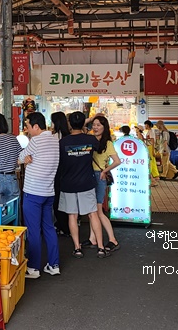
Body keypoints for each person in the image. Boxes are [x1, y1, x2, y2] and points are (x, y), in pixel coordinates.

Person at [57, 111, 108, 259]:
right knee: (93, 214)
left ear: (69, 124)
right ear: (84, 123)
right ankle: (100, 247)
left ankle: (77, 248)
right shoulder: (90, 140)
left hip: (68, 183)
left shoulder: (63, 142)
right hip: (87, 183)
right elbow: (99, 148)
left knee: (72, 216)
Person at [18, 112, 60, 279]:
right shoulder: (54, 140)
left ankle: (34, 268)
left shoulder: (35, 141)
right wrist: (27, 157)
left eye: (28, 126)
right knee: (49, 228)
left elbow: (20, 157)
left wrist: (26, 158)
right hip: (48, 192)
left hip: (33, 192)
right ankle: (54, 265)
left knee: (34, 231)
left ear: (36, 126)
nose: (27, 130)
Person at [82, 115, 121, 252]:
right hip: (89, 175)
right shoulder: (89, 138)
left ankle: (113, 239)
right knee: (91, 211)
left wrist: (105, 170)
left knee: (98, 211)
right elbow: (79, 126)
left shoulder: (107, 143)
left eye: (99, 125)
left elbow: (117, 161)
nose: (95, 127)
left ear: (105, 127)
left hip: (99, 176)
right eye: (94, 124)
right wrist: (90, 118)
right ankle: (92, 238)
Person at [50, 111, 71, 236]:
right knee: (68, 200)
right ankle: (68, 226)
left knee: (57, 200)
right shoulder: (69, 137)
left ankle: (62, 226)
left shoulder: (53, 138)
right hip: (69, 171)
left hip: (57, 172)